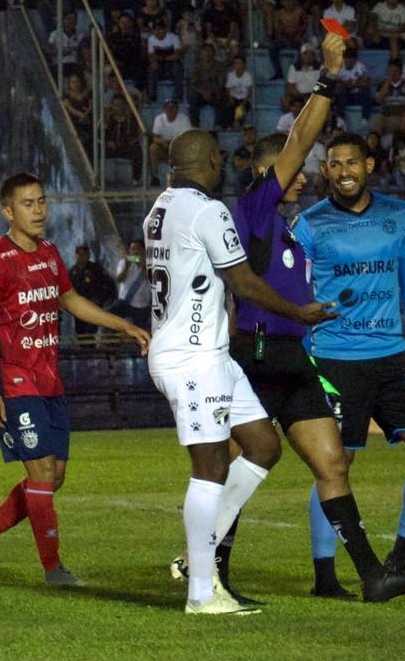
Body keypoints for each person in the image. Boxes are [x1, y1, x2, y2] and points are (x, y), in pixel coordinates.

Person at [203, 32, 405, 604]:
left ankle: (372, 575)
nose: (303, 175)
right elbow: (301, 140)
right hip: (257, 357)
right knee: (245, 461)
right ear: (265, 177)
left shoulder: (288, 227)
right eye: (289, 171)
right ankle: (212, 565)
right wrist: (328, 81)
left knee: (332, 461)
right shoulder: (255, 211)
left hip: (294, 357)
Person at [143, 130, 334, 615]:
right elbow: (244, 282)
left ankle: (197, 555)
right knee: (209, 469)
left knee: (263, 447)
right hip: (192, 359)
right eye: (220, 160)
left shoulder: (160, 208)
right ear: (211, 160)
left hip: (210, 353)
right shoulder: (209, 212)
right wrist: (298, 312)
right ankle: (202, 593)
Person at [0, 173, 151, 588]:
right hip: (16, 381)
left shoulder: (47, 252)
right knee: (42, 472)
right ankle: (53, 569)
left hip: (50, 382)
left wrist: (123, 325)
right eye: (28, 203)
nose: (39, 210)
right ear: (8, 211)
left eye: (42, 201)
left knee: (53, 476)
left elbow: (72, 301)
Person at [293, 132, 405, 600]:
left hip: (393, 353)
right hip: (336, 358)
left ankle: (402, 556)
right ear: (325, 171)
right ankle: (326, 576)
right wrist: (308, 356)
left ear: (370, 166)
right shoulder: (308, 225)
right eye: (334, 164)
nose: (343, 171)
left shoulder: (397, 214)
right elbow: (298, 298)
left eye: (351, 163)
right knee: (335, 465)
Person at [68, 245, 117, 335]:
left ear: (88, 255)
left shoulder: (96, 269)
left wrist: (101, 301)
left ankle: (91, 349)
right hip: (79, 306)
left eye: (84, 254)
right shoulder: (73, 271)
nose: (81, 257)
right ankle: (83, 348)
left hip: (93, 305)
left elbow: (108, 285)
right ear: (76, 255)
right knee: (80, 330)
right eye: (79, 254)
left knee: (90, 330)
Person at [109, 238, 152, 330]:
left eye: (138, 249)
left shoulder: (151, 263)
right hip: (124, 301)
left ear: (144, 250)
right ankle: (109, 341)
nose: (135, 251)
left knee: (142, 330)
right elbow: (118, 279)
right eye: (132, 249)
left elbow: (153, 279)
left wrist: (144, 266)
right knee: (109, 317)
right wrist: (126, 267)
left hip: (141, 304)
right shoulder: (123, 263)